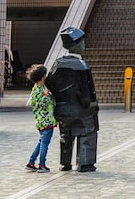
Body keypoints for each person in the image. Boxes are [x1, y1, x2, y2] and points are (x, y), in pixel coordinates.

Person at [46, 27, 99, 173]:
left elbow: (49, 83)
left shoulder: (58, 64)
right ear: (77, 44)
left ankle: (65, 163)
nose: (84, 44)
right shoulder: (81, 66)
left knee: (66, 135)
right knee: (87, 134)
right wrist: (91, 106)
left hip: (63, 109)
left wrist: (60, 98)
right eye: (82, 42)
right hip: (82, 110)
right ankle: (85, 163)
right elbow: (88, 91)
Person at [25, 64, 56, 173]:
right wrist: (47, 96)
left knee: (41, 142)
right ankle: (42, 164)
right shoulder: (41, 91)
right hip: (46, 121)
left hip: (40, 122)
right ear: (43, 76)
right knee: (44, 143)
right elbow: (44, 104)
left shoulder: (36, 89)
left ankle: (31, 162)